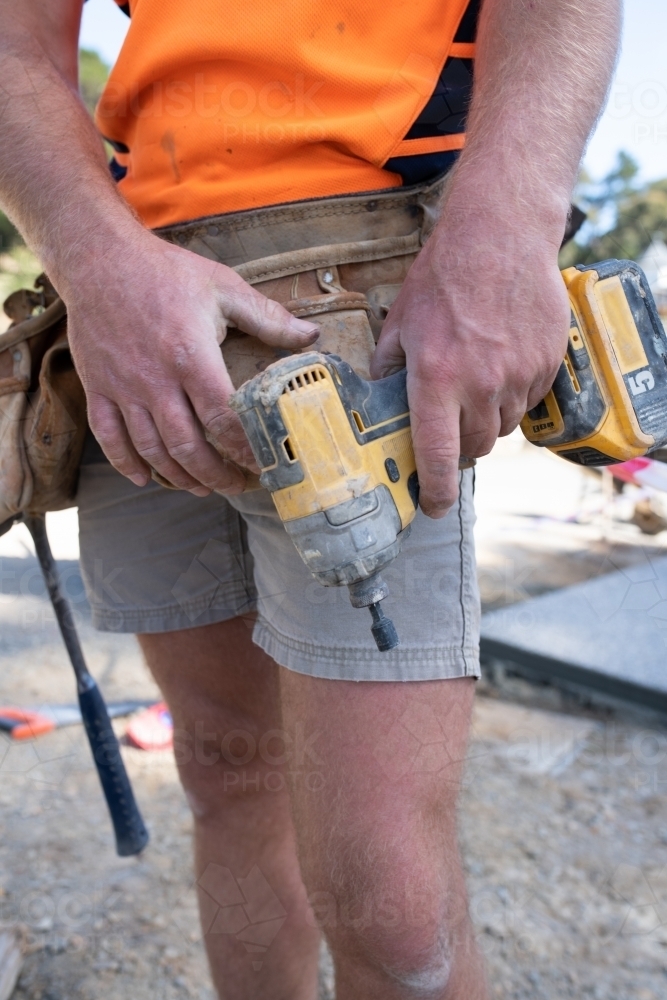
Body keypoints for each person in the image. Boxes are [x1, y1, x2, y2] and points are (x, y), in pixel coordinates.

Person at [0, 1, 619, 996]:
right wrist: (93, 258)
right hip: (132, 310)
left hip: (362, 280)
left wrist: (507, 222)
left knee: (391, 899)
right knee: (226, 774)